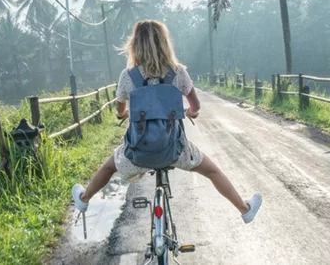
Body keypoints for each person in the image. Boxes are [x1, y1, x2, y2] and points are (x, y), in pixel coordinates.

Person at [72, 19, 262, 223]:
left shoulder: (128, 76)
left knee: (109, 168)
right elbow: (196, 106)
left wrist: (123, 114)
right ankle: (244, 210)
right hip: (176, 151)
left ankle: (84, 199)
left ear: (135, 45)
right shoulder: (178, 72)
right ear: (164, 42)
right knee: (213, 171)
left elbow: (120, 109)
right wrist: (191, 112)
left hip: (137, 154)